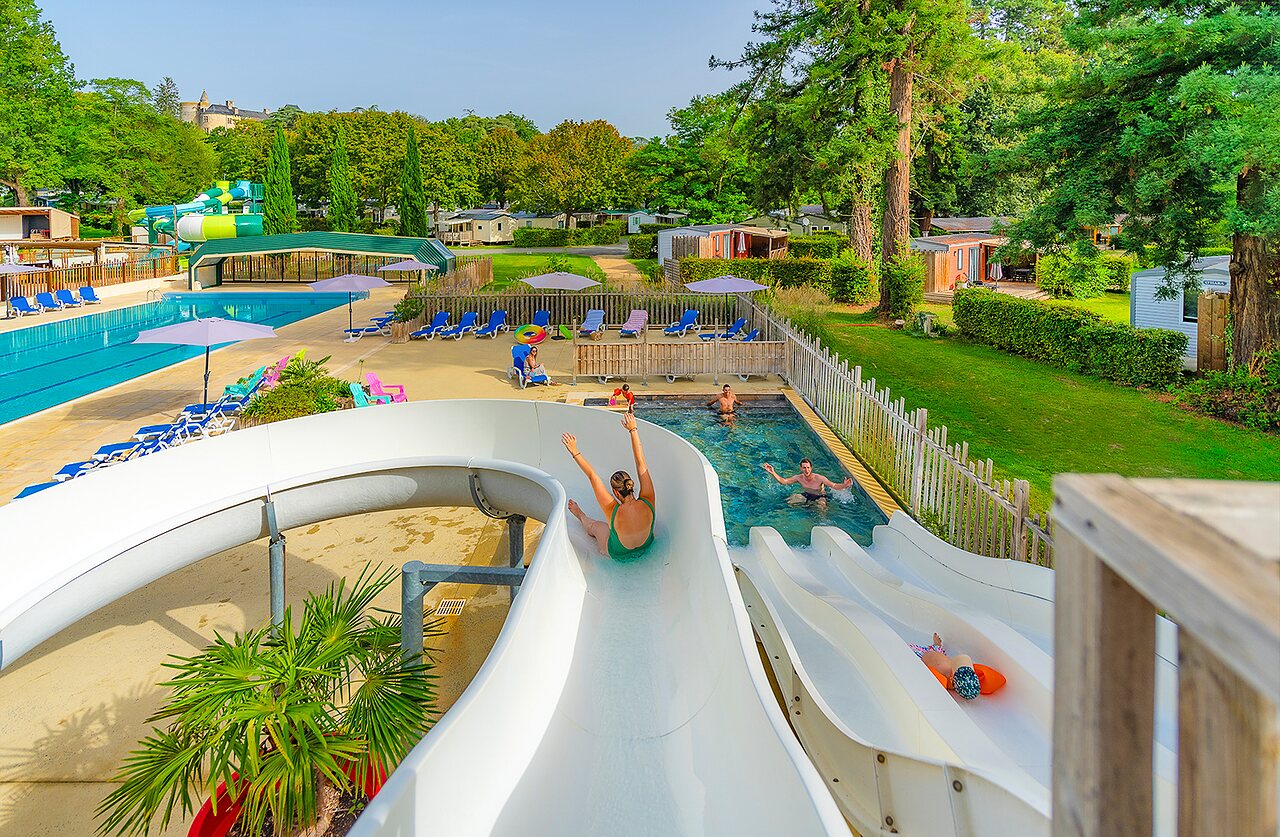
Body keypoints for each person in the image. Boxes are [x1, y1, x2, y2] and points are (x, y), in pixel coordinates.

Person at [563, 412, 656, 560]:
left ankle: (580, 515)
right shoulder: (648, 499)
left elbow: (592, 476)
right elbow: (640, 463)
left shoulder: (613, 509)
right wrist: (633, 430)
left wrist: (574, 450)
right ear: (630, 485)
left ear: (615, 492)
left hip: (619, 553)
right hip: (647, 545)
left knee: (596, 527)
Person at [910, 633, 987, 700]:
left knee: (907, 648)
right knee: (941, 655)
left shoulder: (944, 670)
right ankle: (936, 645)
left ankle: (936, 646)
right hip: (936, 652)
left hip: (919, 655)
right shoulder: (953, 670)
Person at [761, 458, 852, 507]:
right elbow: (784, 481)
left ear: (811, 468)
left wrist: (844, 485)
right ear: (801, 468)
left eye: (808, 468)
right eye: (804, 468)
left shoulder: (819, 478)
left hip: (820, 496)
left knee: (821, 506)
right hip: (807, 495)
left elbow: (834, 485)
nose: (806, 470)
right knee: (789, 501)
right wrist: (773, 472)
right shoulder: (799, 478)